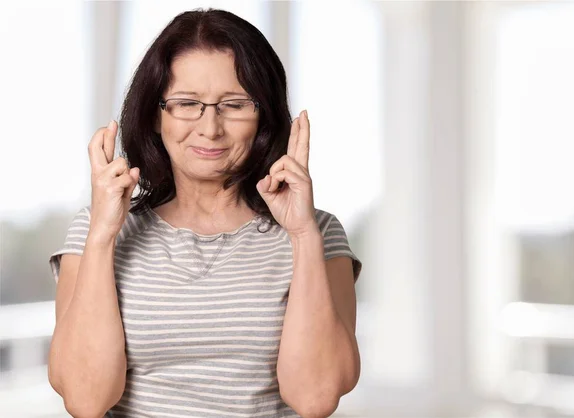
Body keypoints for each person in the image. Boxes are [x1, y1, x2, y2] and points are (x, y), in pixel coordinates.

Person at [48, 8, 362, 418]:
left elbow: (315, 397)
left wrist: (302, 235)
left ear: (263, 116)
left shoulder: (317, 231)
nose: (210, 128)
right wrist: (104, 234)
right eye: (186, 103)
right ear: (156, 117)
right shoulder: (98, 230)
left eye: (234, 105)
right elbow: (86, 400)